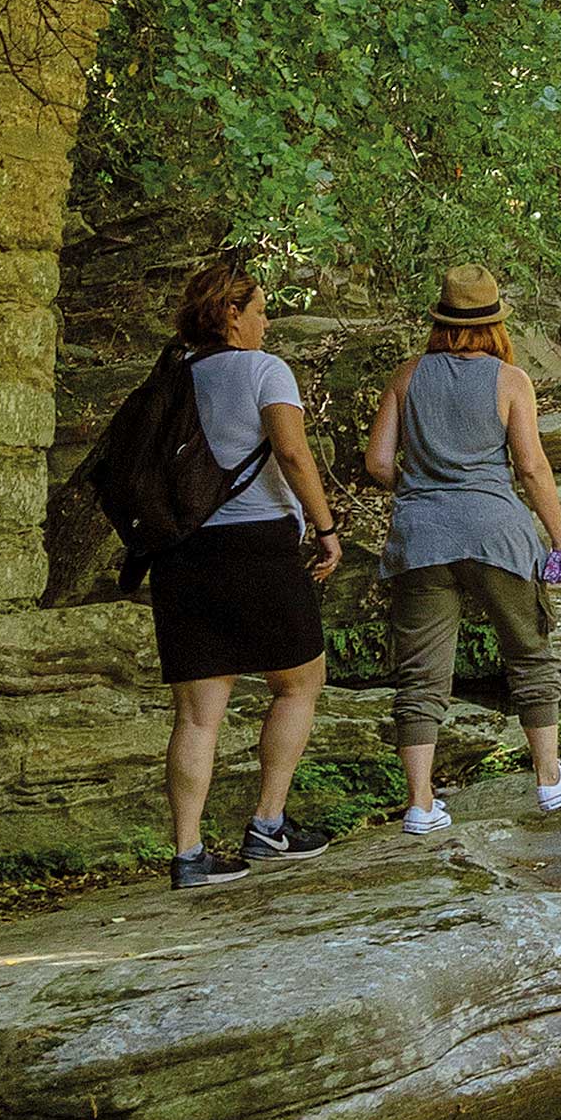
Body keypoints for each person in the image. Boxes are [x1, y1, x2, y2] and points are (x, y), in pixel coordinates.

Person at [364, 266, 561, 832]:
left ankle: (421, 805)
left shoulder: (406, 375)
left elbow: (376, 464)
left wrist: (421, 492)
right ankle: (549, 779)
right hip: (497, 533)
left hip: (421, 538)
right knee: (529, 652)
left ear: (439, 321)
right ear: (495, 323)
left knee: (421, 673)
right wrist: (560, 539)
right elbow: (532, 468)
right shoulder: (510, 380)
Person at [155, 261, 345, 890]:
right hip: (256, 545)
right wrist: (325, 527)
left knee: (198, 715)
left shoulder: (174, 377)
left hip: (182, 553)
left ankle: (188, 856)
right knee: (299, 682)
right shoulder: (266, 370)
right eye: (260, 309)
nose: (266, 321)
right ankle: (268, 824)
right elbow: (291, 451)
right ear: (231, 314)